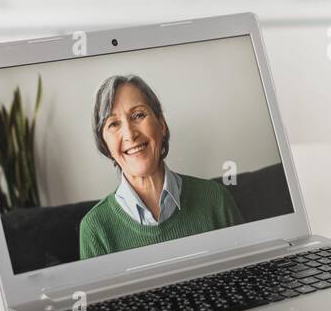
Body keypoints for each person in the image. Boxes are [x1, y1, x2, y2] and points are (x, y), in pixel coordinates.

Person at [79, 74, 242, 259]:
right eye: (114, 124)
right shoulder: (95, 229)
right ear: (105, 145)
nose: (130, 134)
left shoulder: (216, 200)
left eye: (138, 115)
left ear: (161, 124)